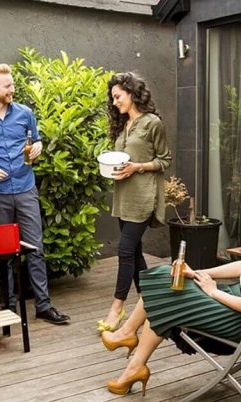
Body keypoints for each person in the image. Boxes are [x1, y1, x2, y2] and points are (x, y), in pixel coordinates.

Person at [100, 158, 241, 396]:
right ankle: (133, 363)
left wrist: (214, 291)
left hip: (240, 322)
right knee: (171, 287)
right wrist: (201, 273)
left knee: (165, 282)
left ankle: (129, 339)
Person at [0, 63, 70, 325]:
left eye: (12, 84)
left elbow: (36, 140)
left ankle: (43, 306)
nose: (12, 89)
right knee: (4, 252)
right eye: (7, 85)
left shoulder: (25, 113)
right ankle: (9, 306)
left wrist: (38, 146)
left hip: (25, 190)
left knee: (35, 248)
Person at [98, 72, 172, 333]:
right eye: (113, 98)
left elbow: (165, 160)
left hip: (143, 196)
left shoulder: (152, 123)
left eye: (118, 96)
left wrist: (136, 167)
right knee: (136, 252)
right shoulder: (123, 125)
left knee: (125, 251)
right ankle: (149, 303)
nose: (115, 101)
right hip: (123, 196)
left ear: (131, 93)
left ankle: (117, 308)